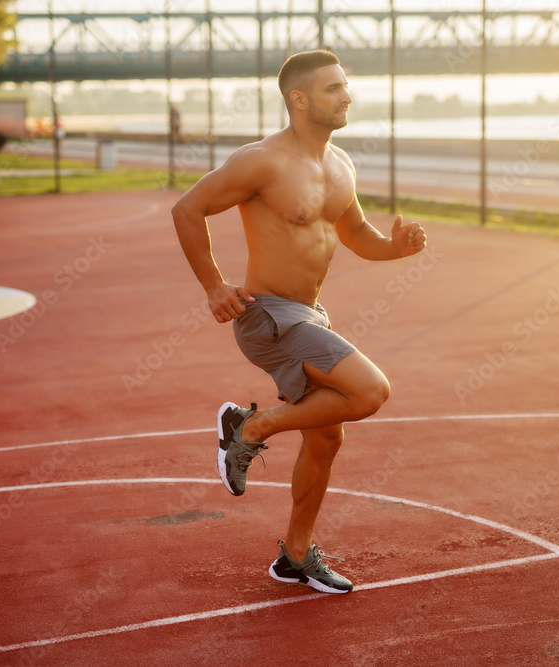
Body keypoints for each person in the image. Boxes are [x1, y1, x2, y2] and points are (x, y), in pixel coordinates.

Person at [171, 49, 427, 594]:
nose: (346, 96)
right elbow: (187, 210)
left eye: (346, 87)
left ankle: (294, 555)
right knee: (370, 391)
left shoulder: (341, 166)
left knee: (326, 439)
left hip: (310, 315)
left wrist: (396, 249)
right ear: (299, 99)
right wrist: (214, 285)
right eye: (333, 88)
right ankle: (250, 427)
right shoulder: (261, 161)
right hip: (266, 314)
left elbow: (358, 237)